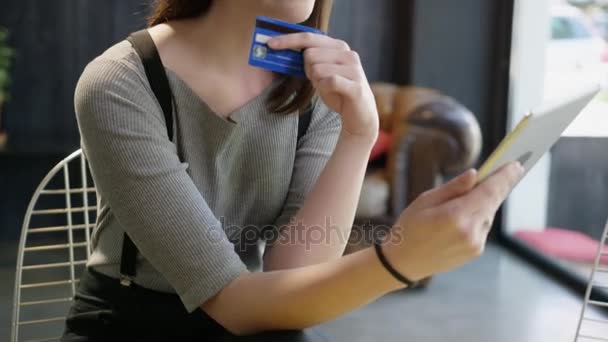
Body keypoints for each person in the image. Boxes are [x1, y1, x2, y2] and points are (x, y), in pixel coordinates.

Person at [61, 0, 524, 340]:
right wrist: (399, 263)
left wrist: (359, 133)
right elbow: (230, 301)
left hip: (264, 311)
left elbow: (294, 270)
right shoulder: (119, 82)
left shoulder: (313, 85)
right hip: (135, 322)